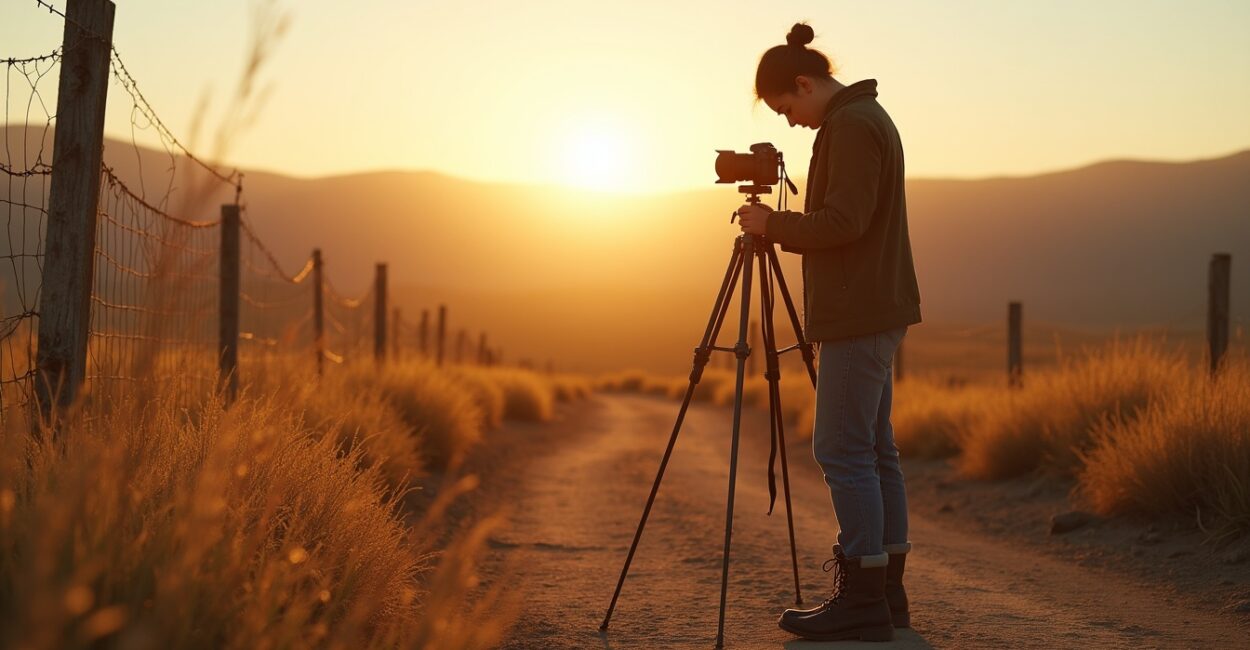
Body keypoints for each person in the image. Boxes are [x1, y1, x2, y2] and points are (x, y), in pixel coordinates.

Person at [735, 21, 922, 643]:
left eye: (789, 107)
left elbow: (845, 221)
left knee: (841, 451)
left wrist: (773, 226)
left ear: (805, 82)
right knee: (873, 449)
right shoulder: (867, 116)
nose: (791, 123)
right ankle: (885, 593)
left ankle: (863, 600)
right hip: (875, 306)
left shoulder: (850, 125)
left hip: (857, 312)